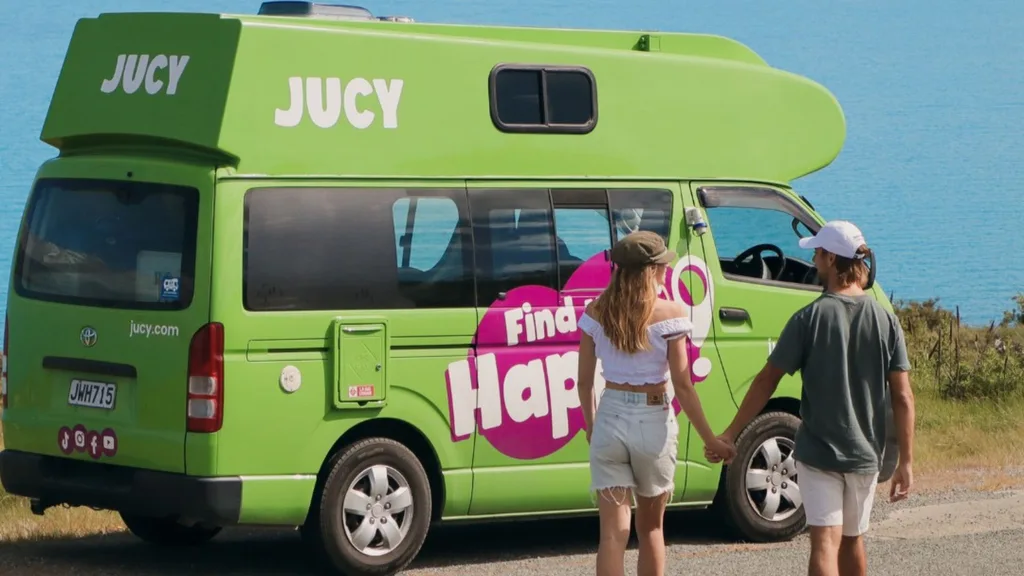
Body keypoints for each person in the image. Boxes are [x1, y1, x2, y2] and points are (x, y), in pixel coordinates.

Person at [708, 220, 916, 576]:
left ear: (833, 259)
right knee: (854, 540)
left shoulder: (809, 318)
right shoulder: (886, 320)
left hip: (819, 452)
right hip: (866, 454)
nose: (814, 262)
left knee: (823, 541)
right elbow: (903, 397)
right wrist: (906, 463)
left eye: (818, 254)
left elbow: (766, 381)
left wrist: (731, 432)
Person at [577, 230, 736, 576]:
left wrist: (592, 426)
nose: (667, 271)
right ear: (651, 271)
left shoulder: (595, 311)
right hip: (653, 419)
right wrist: (711, 439)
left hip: (609, 418)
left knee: (612, 536)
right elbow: (683, 385)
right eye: (663, 266)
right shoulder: (670, 313)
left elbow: (585, 382)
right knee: (651, 529)